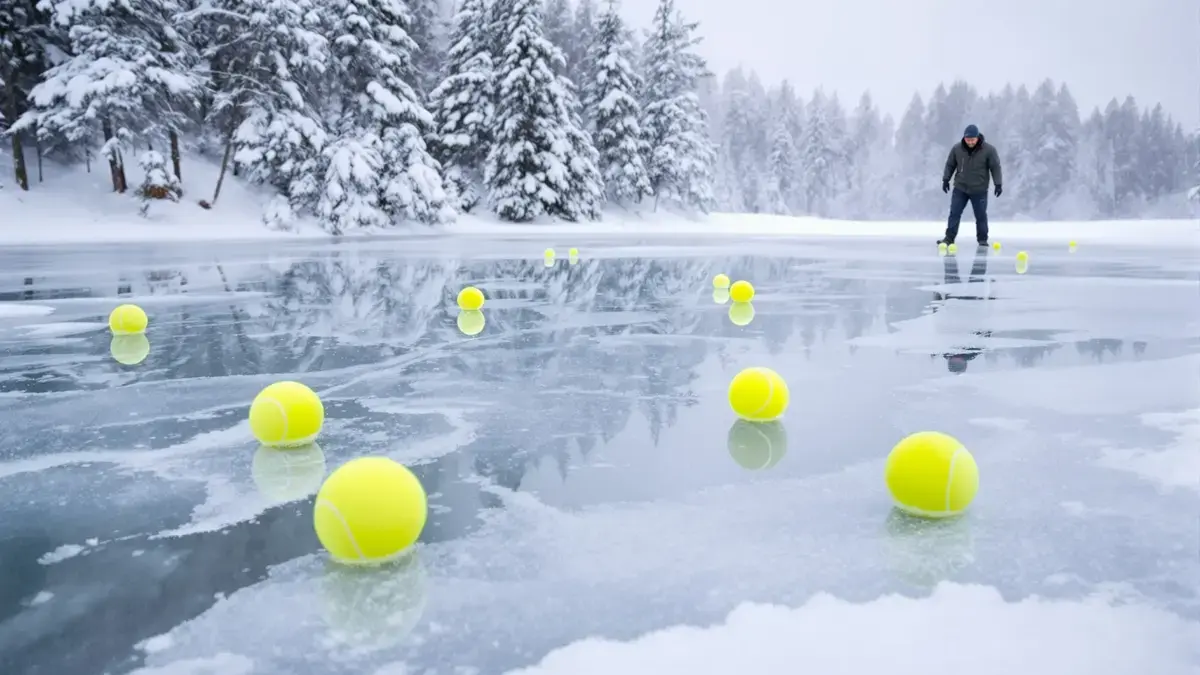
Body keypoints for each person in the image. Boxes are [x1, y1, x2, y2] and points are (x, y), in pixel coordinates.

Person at [939, 124, 1002, 247]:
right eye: (968, 140)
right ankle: (949, 238)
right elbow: (950, 164)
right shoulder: (957, 149)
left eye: (973, 139)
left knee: (981, 216)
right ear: (964, 138)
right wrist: (946, 179)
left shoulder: (989, 150)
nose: (970, 142)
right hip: (960, 187)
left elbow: (995, 167)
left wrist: (998, 184)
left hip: (979, 189)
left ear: (978, 137)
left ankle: (982, 240)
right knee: (954, 213)